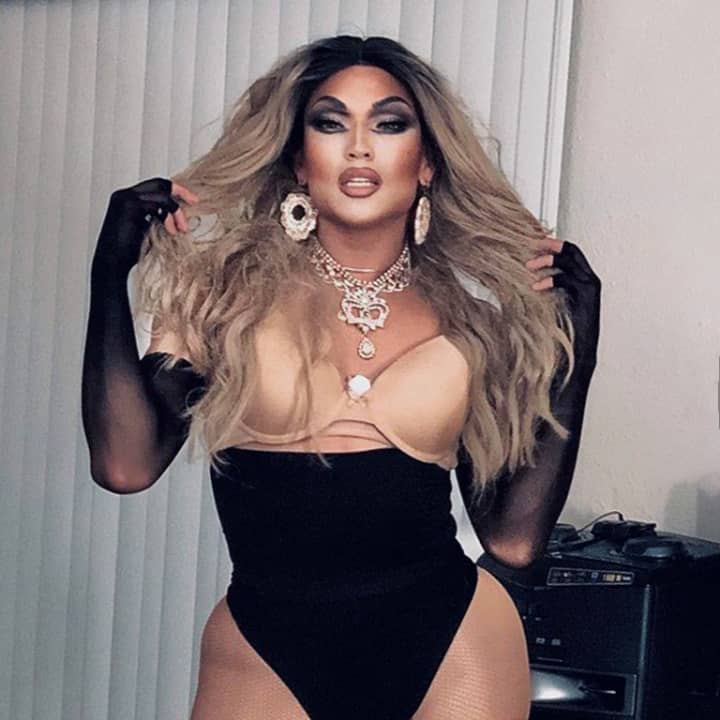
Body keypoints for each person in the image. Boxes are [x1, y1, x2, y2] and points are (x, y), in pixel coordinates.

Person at [81, 34, 600, 720]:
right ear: (300, 160)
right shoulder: (220, 300)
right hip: (265, 648)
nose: (359, 148)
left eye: (389, 125)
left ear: (427, 163)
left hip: (452, 644)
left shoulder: (473, 324)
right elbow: (125, 465)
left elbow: (512, 539)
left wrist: (578, 352)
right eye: (331, 123)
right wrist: (107, 275)